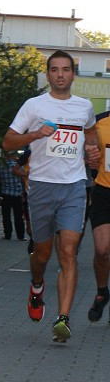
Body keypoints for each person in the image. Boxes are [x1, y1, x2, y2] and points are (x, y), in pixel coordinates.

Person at [2, 50, 100, 342]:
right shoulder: (34, 105)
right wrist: (34, 135)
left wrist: (92, 151)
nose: (60, 74)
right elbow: (7, 142)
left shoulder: (84, 107)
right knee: (42, 255)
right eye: (55, 70)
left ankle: (63, 319)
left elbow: (91, 133)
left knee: (69, 251)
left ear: (73, 74)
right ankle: (36, 285)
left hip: (74, 186)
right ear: (48, 75)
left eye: (66, 69)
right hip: (42, 186)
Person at [86, 108, 110, 321]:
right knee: (102, 251)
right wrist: (90, 158)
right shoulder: (99, 122)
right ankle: (102, 291)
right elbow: (88, 152)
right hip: (104, 192)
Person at [0, 152, 25, 240]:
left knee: (6, 215)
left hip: (5, 193)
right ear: (13, 156)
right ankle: (20, 236)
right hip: (17, 194)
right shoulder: (19, 166)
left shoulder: (1, 166)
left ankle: (7, 235)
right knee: (18, 215)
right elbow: (22, 180)